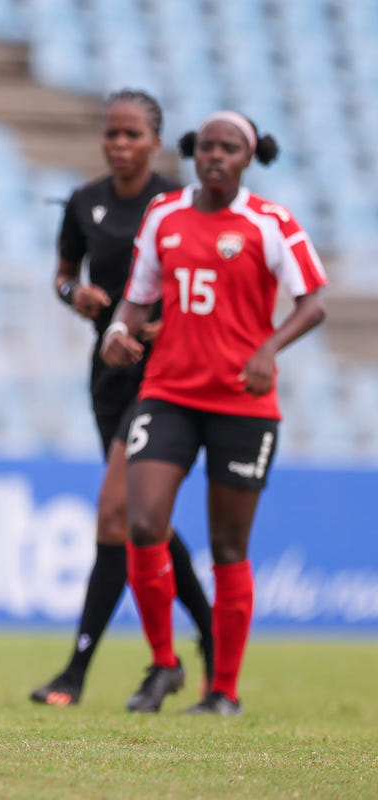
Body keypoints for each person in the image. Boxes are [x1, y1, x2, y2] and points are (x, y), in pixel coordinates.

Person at [102, 111, 327, 715]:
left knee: (228, 545)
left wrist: (268, 348)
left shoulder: (270, 222)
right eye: (207, 146)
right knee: (142, 523)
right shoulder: (165, 215)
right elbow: (137, 297)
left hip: (243, 403)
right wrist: (116, 333)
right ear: (192, 152)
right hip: (169, 392)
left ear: (248, 157)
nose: (216, 156)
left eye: (229, 148)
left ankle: (222, 690)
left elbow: (314, 304)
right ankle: (165, 664)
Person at [30, 90, 214, 708]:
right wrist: (72, 294)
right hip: (108, 376)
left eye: (132, 134)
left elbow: (201, 283)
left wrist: (169, 325)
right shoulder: (85, 202)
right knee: (144, 517)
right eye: (112, 133)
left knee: (117, 512)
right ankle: (211, 643)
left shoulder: (177, 203)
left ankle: (76, 674)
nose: (119, 144)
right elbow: (63, 272)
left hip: (167, 375)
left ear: (156, 141)